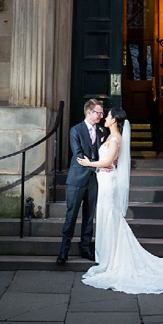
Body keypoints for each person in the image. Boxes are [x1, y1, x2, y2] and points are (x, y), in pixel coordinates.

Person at [77, 108, 163, 294]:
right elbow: (109, 161)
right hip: (104, 181)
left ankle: (113, 259)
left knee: (110, 216)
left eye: (108, 116)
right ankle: (107, 256)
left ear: (114, 120)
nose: (105, 118)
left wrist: (90, 163)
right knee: (106, 216)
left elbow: (107, 162)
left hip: (109, 183)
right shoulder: (108, 137)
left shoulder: (115, 139)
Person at [56, 99, 106, 264]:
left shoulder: (101, 130)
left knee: (89, 215)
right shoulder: (75, 130)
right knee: (71, 215)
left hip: (93, 180)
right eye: (98, 112)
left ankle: (85, 248)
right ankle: (64, 251)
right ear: (89, 112)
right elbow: (78, 154)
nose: (101, 115)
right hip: (77, 179)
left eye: (102, 113)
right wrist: (98, 167)